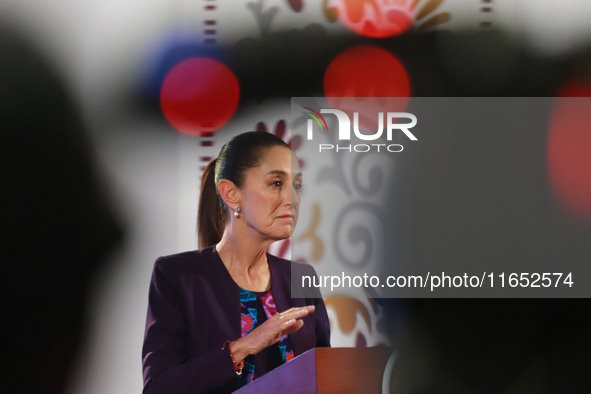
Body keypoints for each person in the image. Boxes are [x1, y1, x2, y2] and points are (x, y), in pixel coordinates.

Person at [142, 131, 330, 394]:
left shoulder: (301, 277)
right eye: (276, 183)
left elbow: (325, 378)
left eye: (296, 186)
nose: (293, 199)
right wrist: (247, 345)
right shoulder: (177, 275)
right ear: (231, 194)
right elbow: (158, 388)